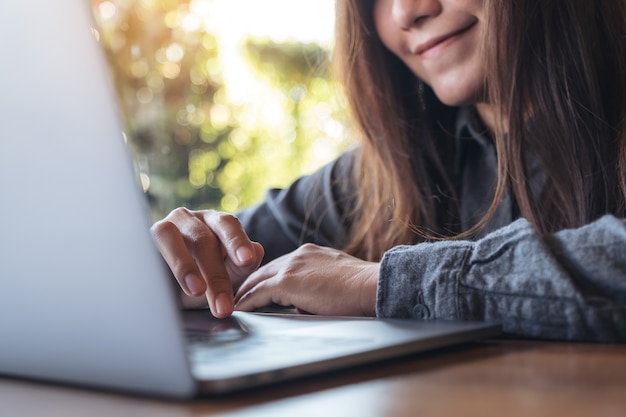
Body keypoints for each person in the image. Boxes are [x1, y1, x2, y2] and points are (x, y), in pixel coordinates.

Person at [151, 0, 626, 342]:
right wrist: (182, 255)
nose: (405, 12)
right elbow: (224, 259)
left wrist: (378, 282)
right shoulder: (387, 171)